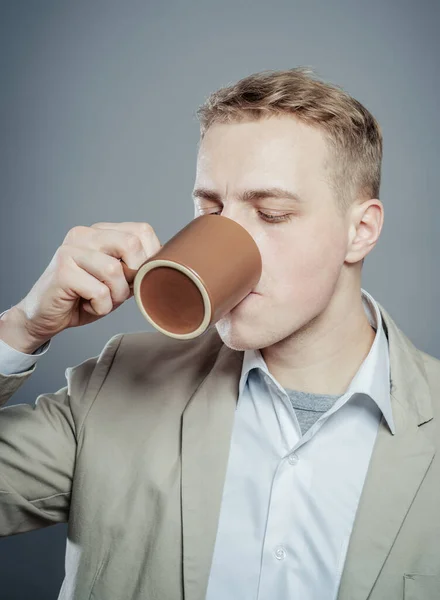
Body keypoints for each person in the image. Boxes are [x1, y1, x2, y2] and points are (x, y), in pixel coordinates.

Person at [1, 66, 439, 600]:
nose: (229, 236)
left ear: (360, 231)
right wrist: (20, 328)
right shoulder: (119, 387)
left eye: (271, 213)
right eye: (210, 208)